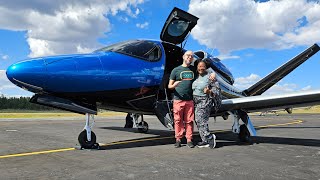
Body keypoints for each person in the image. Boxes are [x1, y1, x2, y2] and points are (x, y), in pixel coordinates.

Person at [168, 50, 196, 148]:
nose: (190, 57)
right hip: (178, 99)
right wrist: (174, 85)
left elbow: (203, 73)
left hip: (190, 100)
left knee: (189, 121)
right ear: (183, 56)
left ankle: (189, 139)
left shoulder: (194, 70)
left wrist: (212, 74)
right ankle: (178, 139)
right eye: (188, 55)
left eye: (192, 56)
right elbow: (169, 86)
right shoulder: (175, 70)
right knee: (178, 120)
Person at [192, 60, 220, 148]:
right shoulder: (196, 77)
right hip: (196, 101)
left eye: (202, 66)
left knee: (200, 120)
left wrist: (209, 91)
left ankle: (210, 137)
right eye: (199, 66)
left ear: (206, 67)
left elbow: (217, 91)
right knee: (199, 121)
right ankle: (205, 140)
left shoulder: (210, 77)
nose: (201, 68)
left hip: (205, 100)